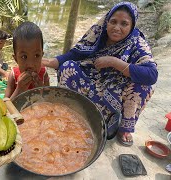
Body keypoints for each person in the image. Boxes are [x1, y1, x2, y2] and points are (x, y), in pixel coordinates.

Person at [42, 2, 158, 146]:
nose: (117, 28)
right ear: (107, 20)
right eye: (113, 21)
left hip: (116, 89)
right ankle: (70, 111)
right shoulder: (98, 33)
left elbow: (152, 75)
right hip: (92, 81)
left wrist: (114, 62)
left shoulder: (137, 43)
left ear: (132, 26)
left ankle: (123, 128)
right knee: (68, 67)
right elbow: (75, 54)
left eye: (124, 24)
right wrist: (47, 61)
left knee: (144, 87)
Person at [5, 22, 50, 100]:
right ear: (16, 59)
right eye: (24, 57)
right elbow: (5, 105)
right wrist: (19, 90)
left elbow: (49, 100)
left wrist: (41, 90)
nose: (31, 65)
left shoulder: (44, 75)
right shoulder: (13, 76)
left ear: (42, 55)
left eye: (36, 56)